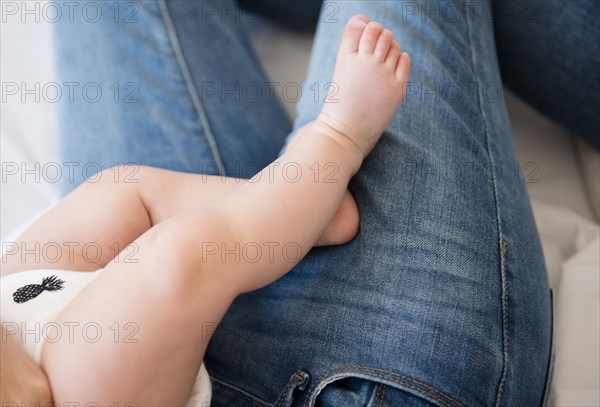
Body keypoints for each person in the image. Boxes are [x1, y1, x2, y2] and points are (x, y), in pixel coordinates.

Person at [4, 0, 598, 405]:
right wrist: (332, 142)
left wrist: (286, 204)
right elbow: (187, 258)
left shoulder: (17, 309)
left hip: (218, 285)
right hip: (347, 375)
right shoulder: (86, 374)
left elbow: (122, 194)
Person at [1, 16, 410, 405]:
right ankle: (335, 143)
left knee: (116, 196)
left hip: (18, 314)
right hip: (70, 393)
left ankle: (299, 203)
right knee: (179, 261)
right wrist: (331, 141)